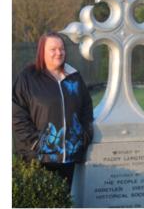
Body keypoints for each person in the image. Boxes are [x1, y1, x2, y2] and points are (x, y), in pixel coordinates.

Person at [12, 32, 94, 189]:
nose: (59, 53)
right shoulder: (28, 78)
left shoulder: (74, 77)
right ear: (42, 51)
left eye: (61, 48)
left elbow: (86, 108)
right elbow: (16, 114)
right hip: (38, 158)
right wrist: (36, 142)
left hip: (68, 157)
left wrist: (84, 136)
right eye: (53, 49)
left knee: (62, 204)